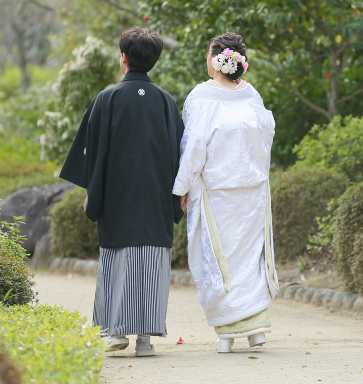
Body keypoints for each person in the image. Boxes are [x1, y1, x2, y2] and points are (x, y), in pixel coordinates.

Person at [58, 26, 184, 358]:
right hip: (157, 197)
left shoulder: (107, 98)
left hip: (116, 196)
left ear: (124, 58)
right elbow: (179, 154)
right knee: (152, 262)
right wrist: (179, 195)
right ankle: (146, 339)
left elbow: (94, 152)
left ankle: (116, 331)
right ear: (152, 62)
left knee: (118, 259)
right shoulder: (165, 101)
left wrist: (92, 191)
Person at [172, 32, 278, 354]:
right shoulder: (251, 95)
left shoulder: (201, 97)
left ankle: (227, 335)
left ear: (216, 59)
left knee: (222, 261)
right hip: (252, 190)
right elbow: (266, 137)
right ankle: (255, 330)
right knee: (248, 259)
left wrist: (181, 187)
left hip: (218, 193)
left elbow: (192, 149)